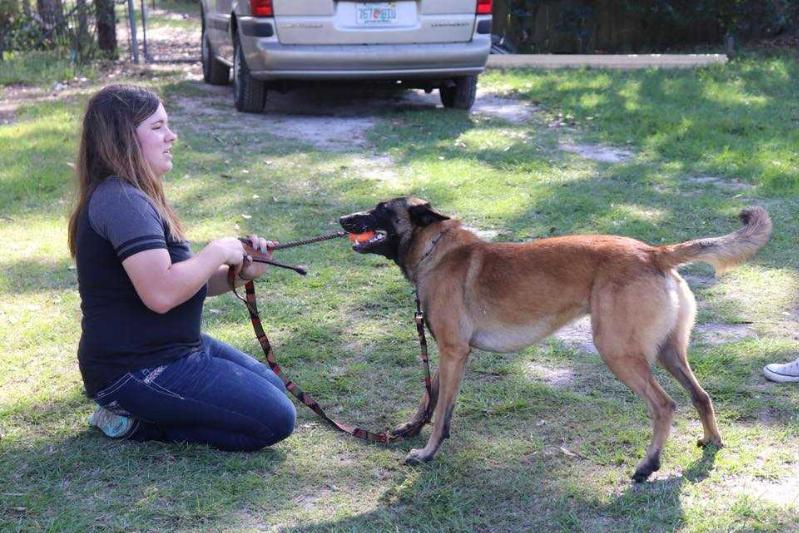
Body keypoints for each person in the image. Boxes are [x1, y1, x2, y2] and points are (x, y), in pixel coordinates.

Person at [67, 84, 295, 451]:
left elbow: (180, 283)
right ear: (123, 137)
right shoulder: (122, 200)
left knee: (274, 392)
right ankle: (135, 422)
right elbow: (161, 294)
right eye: (157, 127)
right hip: (134, 369)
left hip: (174, 348)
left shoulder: (134, 195)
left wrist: (239, 274)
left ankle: (155, 408)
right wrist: (217, 250)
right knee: (274, 420)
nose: (171, 136)